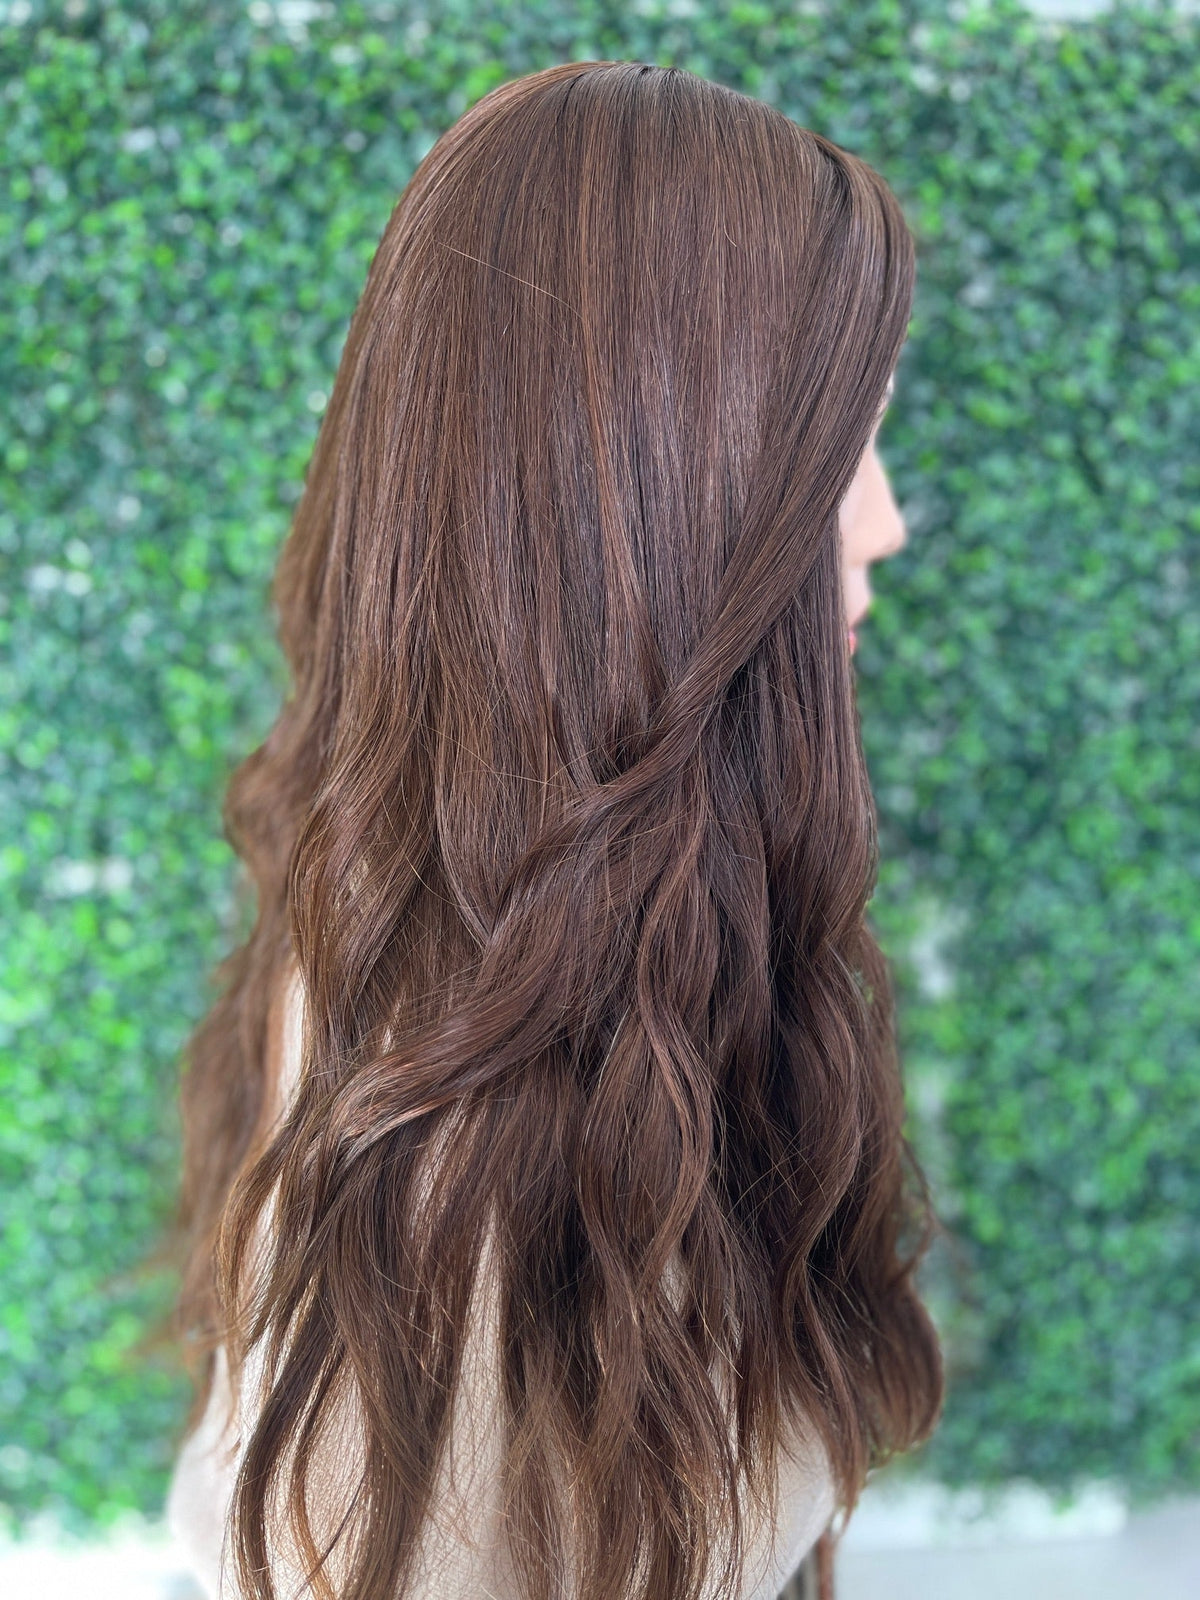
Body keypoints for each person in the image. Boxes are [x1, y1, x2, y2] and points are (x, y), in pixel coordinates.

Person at [166, 59, 943, 1600]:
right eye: (849, 438)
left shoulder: (538, 941)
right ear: (657, 494)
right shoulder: (462, 1130)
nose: (888, 519)